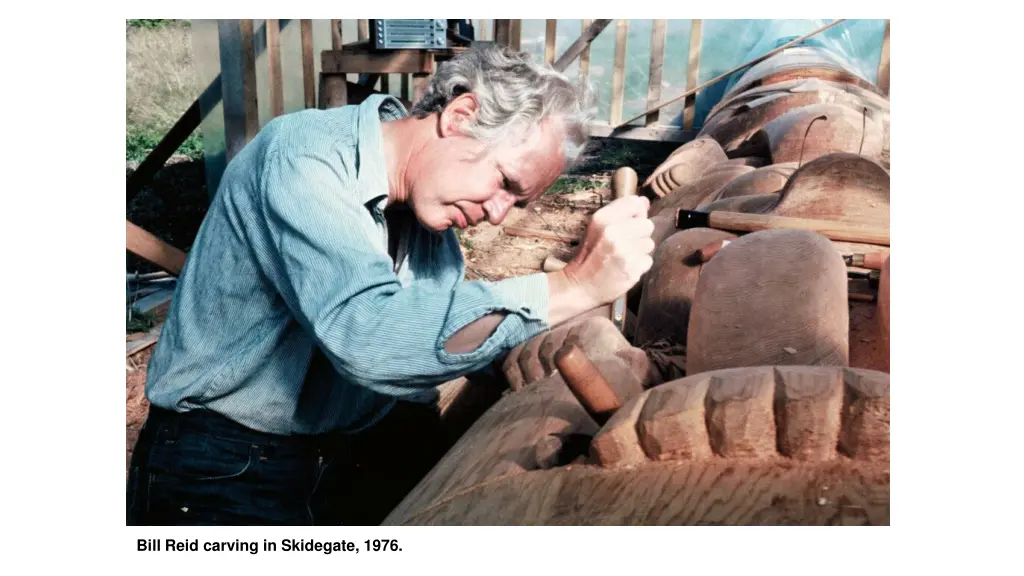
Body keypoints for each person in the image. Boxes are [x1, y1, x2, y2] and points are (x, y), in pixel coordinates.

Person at [126, 44, 655, 526]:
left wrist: (521, 353)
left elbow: (423, 340)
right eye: (506, 184)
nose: (498, 215)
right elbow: (371, 340)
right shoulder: (305, 159)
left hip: (348, 448)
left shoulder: (428, 221)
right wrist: (574, 286)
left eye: (519, 204)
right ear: (461, 115)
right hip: (224, 468)